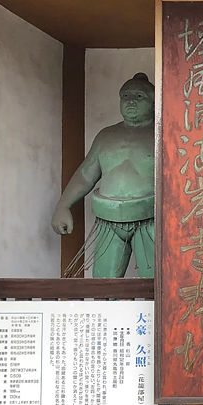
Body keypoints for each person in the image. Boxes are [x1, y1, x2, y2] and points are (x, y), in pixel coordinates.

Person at [51, 73, 156, 278]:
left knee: (155, 286)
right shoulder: (106, 136)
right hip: (108, 220)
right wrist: (63, 206)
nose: (131, 101)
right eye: (125, 96)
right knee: (103, 285)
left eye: (139, 96)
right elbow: (85, 174)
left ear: (153, 101)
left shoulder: (164, 133)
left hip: (149, 219)